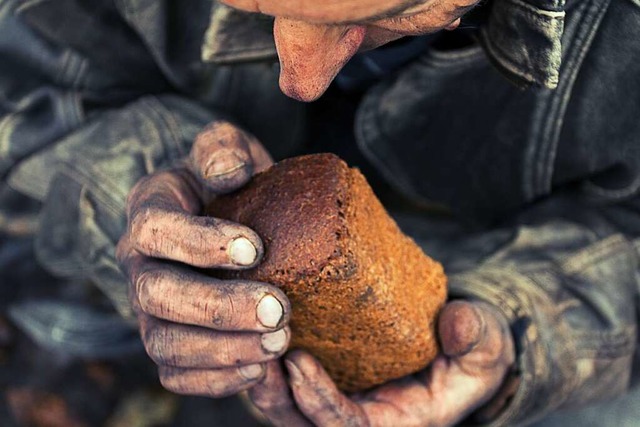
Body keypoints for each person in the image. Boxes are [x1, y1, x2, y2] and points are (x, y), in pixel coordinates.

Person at [1, 0, 639, 425]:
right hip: (133, 214)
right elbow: (22, 85)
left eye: (386, 8)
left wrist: (524, 328)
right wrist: (134, 193)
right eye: (257, 3)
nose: (298, 78)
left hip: (527, 249)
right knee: (71, 313)